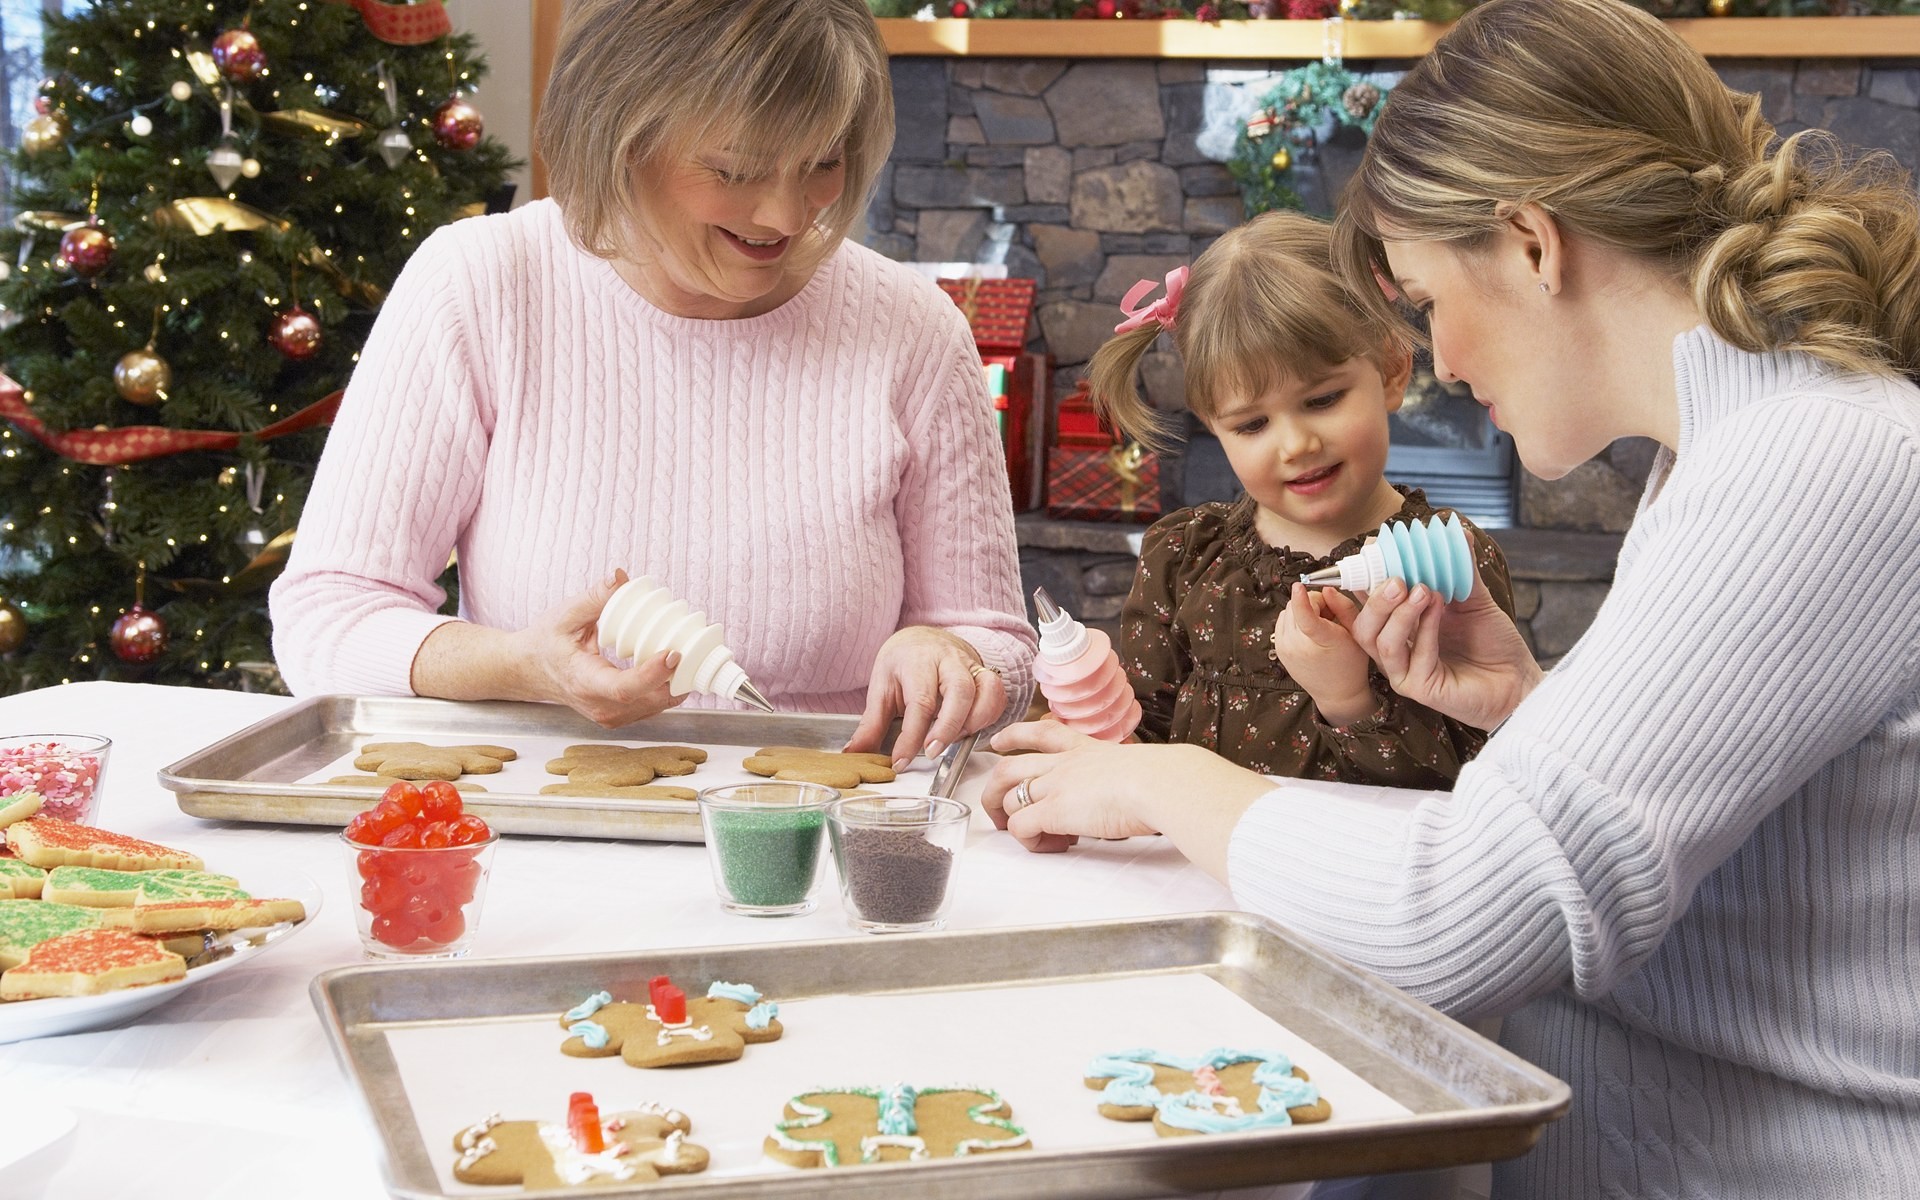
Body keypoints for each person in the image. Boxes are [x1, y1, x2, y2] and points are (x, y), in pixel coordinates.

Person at [984, 0, 1920, 1194]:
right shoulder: (1737, 449)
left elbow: (1465, 922)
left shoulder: (1811, 464)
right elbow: (1728, 848)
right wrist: (1528, 711)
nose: (1446, 363)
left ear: (1534, 243)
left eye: (1425, 304)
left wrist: (1163, 779)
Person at [269, 0, 1035, 766]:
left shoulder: (913, 328)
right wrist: (522, 669)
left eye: (822, 163)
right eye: (735, 169)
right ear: (618, 139)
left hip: (831, 830)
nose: (786, 213)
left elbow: (996, 642)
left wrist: (951, 657)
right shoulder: (482, 285)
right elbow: (329, 619)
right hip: (542, 820)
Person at [1084, 212, 1512, 785]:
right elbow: (1145, 746)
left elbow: (1481, 782)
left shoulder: (1450, 562)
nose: (1296, 444)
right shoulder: (1183, 559)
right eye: (1252, 424)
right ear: (1215, 426)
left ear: (1390, 370)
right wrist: (1087, 727)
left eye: (1322, 400)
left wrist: (1349, 701)